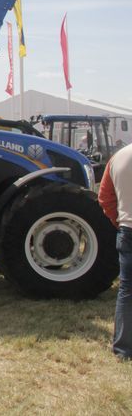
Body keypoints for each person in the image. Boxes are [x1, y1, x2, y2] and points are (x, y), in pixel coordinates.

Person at [99, 143, 132, 360]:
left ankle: (123, 349)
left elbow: (105, 197)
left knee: (127, 292)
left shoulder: (119, 156)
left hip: (128, 230)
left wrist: (119, 222)